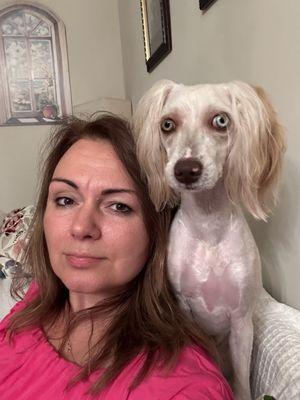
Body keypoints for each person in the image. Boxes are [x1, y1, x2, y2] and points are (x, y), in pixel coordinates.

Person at [0, 114, 233, 399]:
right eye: (65, 200)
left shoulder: (184, 388)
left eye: (119, 206)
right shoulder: (38, 300)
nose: (81, 227)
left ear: (158, 228)